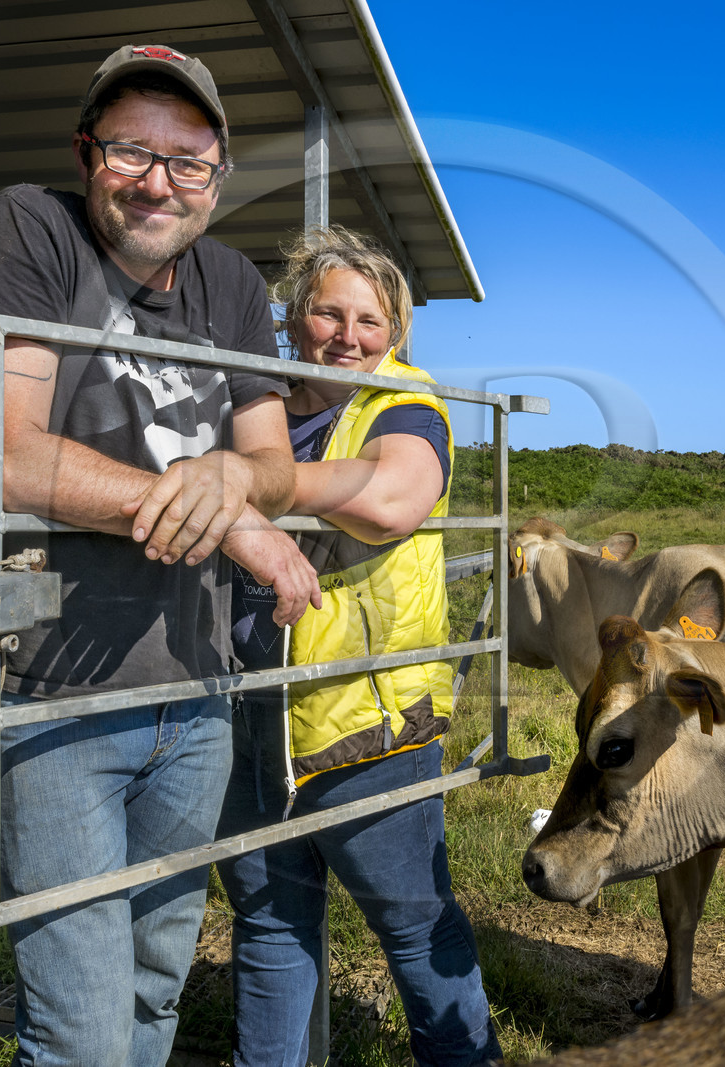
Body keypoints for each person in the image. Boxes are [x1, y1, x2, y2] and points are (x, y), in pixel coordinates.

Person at [0, 44, 318, 1067]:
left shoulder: (229, 279)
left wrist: (237, 486)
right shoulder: (37, 229)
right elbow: (7, 454)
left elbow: (271, 463)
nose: (159, 181)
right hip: (58, 697)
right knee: (79, 1032)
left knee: (150, 989)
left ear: (216, 178)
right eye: (134, 149)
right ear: (90, 152)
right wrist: (217, 510)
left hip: (199, 696)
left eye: (189, 161)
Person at [218, 226, 502, 1067]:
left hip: (363, 717)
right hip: (250, 714)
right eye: (328, 313)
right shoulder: (252, 404)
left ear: (396, 333)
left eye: (370, 322)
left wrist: (246, 484)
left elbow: (388, 501)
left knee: (413, 925)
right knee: (269, 923)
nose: (347, 336)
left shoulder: (402, 404)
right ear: (292, 316)